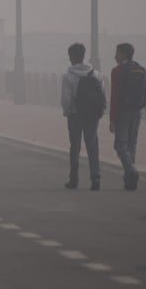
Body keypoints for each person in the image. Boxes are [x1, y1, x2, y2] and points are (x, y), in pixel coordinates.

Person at [60, 42, 103, 191]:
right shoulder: (96, 74)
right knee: (92, 146)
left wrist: (67, 111)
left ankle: (74, 179)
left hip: (75, 115)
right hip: (92, 115)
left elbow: (66, 99)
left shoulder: (68, 76)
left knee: (75, 146)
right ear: (84, 55)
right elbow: (101, 94)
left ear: (71, 57)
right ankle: (95, 177)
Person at [109, 42, 146, 191]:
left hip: (122, 112)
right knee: (131, 145)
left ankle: (131, 170)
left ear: (124, 54)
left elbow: (115, 96)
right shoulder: (141, 69)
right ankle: (130, 182)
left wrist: (112, 119)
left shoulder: (117, 71)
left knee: (119, 145)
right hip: (138, 112)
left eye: (117, 53)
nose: (115, 56)